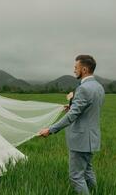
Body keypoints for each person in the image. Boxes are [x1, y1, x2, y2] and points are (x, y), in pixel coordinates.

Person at [39, 55, 105, 194]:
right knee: (87, 171)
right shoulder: (99, 87)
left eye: (76, 67)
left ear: (85, 69)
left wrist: (50, 130)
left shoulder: (83, 88)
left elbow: (72, 116)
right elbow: (88, 109)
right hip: (92, 138)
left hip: (81, 139)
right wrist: (72, 105)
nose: (74, 70)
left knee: (76, 177)